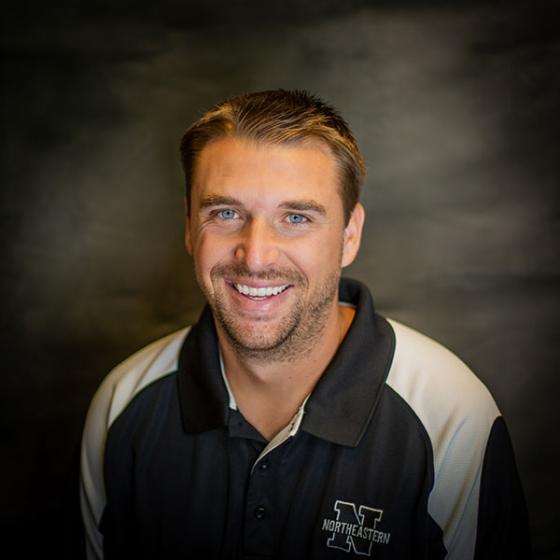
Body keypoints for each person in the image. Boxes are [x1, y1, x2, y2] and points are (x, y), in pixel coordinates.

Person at [80, 89, 530, 559]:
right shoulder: (121, 406)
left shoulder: (450, 416)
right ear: (190, 227)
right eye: (226, 213)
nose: (255, 256)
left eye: (295, 217)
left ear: (349, 235)